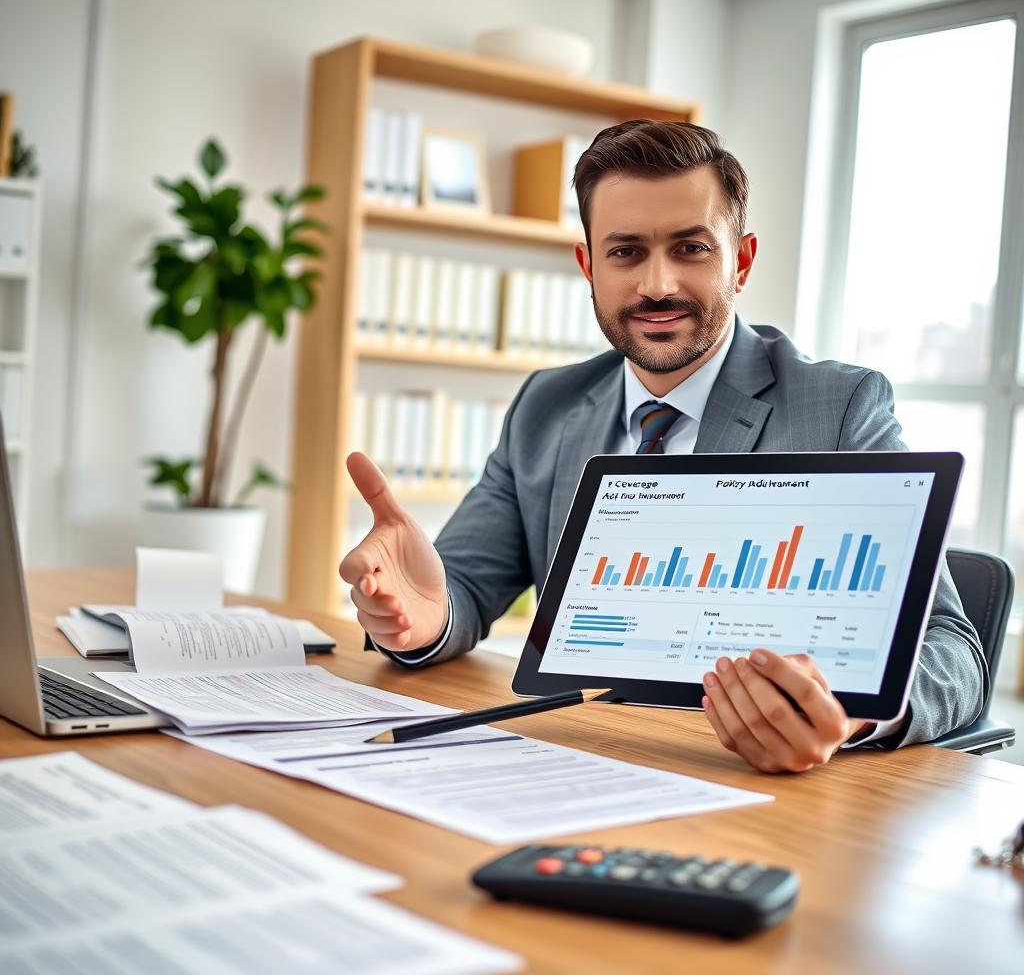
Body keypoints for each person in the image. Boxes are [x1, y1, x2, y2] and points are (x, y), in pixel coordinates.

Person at [340, 119, 987, 774]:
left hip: (750, 782)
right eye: (625, 252)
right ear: (589, 265)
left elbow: (954, 650)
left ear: (741, 261)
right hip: (578, 759)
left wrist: (849, 714)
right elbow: (464, 589)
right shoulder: (546, 407)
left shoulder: (837, 410)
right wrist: (423, 619)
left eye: (690, 249)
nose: (657, 285)